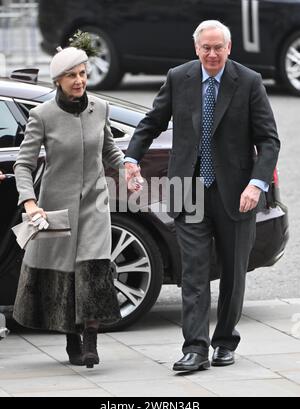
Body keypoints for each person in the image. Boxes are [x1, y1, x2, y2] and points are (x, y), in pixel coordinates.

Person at [124, 20, 280, 372]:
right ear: (196, 49)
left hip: (236, 194)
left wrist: (256, 184)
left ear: (229, 48)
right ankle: (195, 347)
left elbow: (269, 140)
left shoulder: (249, 82)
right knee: (193, 272)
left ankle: (225, 341)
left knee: (233, 273)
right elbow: (152, 121)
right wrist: (132, 158)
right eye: (205, 48)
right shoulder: (180, 78)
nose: (212, 54)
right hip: (189, 191)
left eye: (218, 48)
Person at [13, 46, 125, 369]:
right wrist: (30, 202)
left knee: (93, 268)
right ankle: (71, 338)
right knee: (65, 276)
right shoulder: (42, 116)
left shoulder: (101, 108)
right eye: (71, 76)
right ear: (58, 81)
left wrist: (128, 170)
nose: (79, 81)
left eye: (82, 74)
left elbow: (110, 151)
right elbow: (23, 165)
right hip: (55, 209)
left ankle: (90, 339)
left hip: (94, 204)